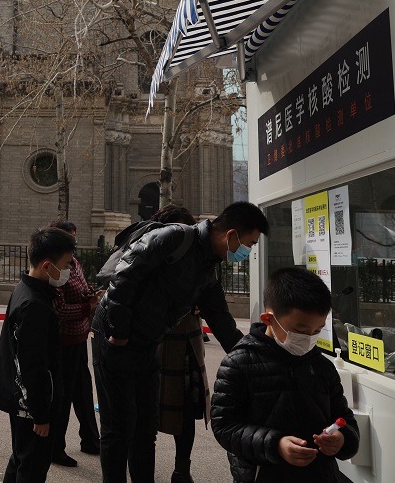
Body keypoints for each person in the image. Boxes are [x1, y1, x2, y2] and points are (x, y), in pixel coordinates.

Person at [91, 201, 266, 483]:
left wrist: (256, 362)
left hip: (148, 343)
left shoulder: (208, 269)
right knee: (118, 427)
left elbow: (223, 324)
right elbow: (123, 278)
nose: (247, 252)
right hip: (114, 337)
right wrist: (120, 332)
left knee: (146, 428)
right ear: (231, 235)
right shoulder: (173, 237)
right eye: (249, 243)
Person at [212, 267, 360, 483]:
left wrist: (342, 439)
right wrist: (275, 444)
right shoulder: (239, 363)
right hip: (263, 475)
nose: (308, 338)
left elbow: (344, 418)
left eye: (317, 331)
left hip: (320, 474)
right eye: (300, 330)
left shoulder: (321, 366)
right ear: (269, 319)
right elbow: (225, 426)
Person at [150, 204, 239, 483]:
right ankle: (143, 469)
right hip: (153, 341)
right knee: (146, 411)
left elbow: (220, 315)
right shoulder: (151, 254)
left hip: (187, 341)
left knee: (187, 411)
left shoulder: (205, 260)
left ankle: (182, 468)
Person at [0, 227, 76, 483]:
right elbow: (32, 365)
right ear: (48, 266)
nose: (69, 270)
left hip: (23, 401)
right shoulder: (34, 305)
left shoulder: (28, 290)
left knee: (20, 459)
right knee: (32, 466)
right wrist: (41, 413)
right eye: (66, 264)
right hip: (31, 405)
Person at [47, 219, 101, 468]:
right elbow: (58, 310)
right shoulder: (55, 268)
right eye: (69, 238)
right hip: (64, 340)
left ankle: (91, 439)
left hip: (80, 337)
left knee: (83, 392)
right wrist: (85, 306)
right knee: (63, 397)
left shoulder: (74, 263)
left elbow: (78, 293)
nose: (74, 242)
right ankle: (55, 448)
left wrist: (88, 296)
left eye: (74, 237)